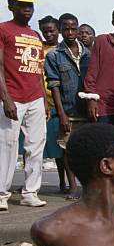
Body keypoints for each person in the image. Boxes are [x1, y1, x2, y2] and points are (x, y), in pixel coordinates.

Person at [0, 0, 48, 212]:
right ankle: (1, 194)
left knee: (35, 146)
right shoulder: (3, 30)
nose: (27, 9)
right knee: (7, 146)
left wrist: (45, 101)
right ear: (11, 5)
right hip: (12, 96)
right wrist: (6, 98)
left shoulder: (35, 34)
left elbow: (38, 69)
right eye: (21, 5)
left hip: (35, 98)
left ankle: (31, 192)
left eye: (29, 6)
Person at [45, 13, 91, 201]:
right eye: (66, 29)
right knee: (68, 150)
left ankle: (88, 187)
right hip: (68, 110)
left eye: (74, 28)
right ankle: (73, 187)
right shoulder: (54, 55)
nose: (70, 32)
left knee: (89, 150)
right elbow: (54, 87)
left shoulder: (89, 53)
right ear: (61, 30)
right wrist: (61, 114)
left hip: (87, 110)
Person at [83, 6, 114, 134]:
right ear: (113, 23)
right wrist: (91, 98)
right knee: (101, 143)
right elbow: (92, 71)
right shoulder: (102, 41)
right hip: (102, 104)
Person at [38, 15, 67, 193]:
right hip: (42, 103)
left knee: (61, 148)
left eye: (52, 31)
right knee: (34, 146)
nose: (48, 34)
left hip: (62, 104)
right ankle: (31, 184)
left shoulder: (64, 50)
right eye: (45, 31)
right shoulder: (38, 49)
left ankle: (63, 182)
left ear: (58, 30)